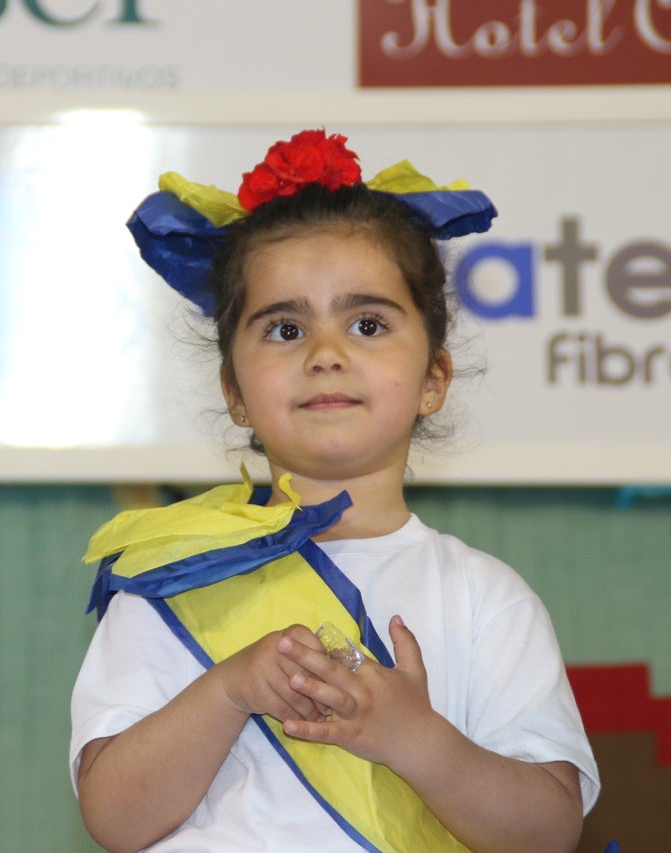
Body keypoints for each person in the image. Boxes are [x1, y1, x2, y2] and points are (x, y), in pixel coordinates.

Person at [69, 129, 598, 852]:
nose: (326, 354)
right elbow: (114, 817)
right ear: (235, 390)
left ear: (433, 379)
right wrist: (228, 690)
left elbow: (548, 831)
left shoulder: (485, 598)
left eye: (368, 323)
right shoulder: (169, 582)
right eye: (285, 328)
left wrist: (413, 736)